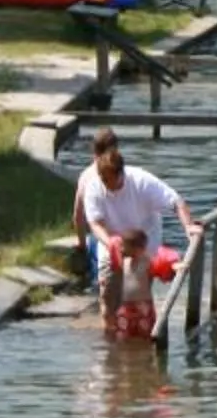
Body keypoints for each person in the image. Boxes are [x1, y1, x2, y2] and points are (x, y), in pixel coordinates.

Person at [70, 130, 198, 338]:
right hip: (111, 242)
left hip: (143, 241)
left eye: (113, 181)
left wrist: (188, 227)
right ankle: (110, 344)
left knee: (138, 298)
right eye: (105, 181)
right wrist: (111, 243)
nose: (109, 186)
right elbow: (94, 222)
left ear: (122, 173)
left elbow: (176, 202)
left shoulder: (141, 181)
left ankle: (140, 345)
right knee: (108, 296)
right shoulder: (94, 184)